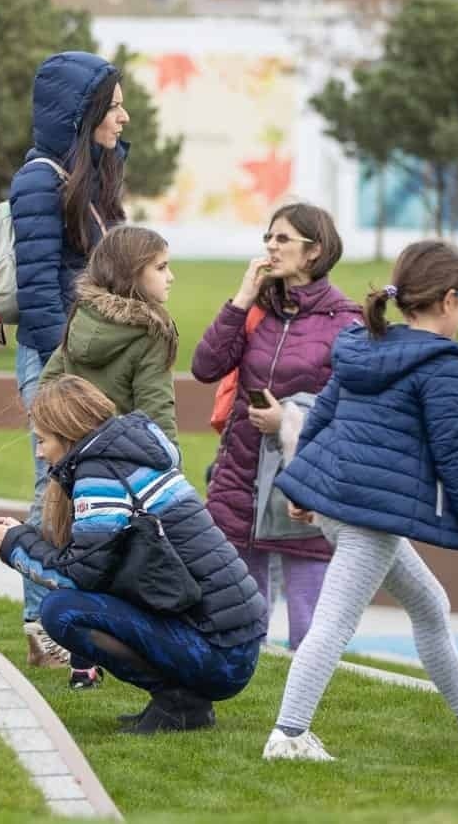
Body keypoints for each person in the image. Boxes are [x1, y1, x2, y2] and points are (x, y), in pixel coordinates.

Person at [264, 240, 458, 762]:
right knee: (334, 621)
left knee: (430, 603)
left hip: (342, 504)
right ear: (449, 300)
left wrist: (301, 484)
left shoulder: (363, 344)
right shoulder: (442, 364)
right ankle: (289, 735)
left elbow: (320, 418)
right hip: (371, 514)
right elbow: (456, 452)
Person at [0, 377, 266, 735]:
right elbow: (95, 564)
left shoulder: (100, 474)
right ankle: (182, 702)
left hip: (220, 656)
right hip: (234, 645)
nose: (39, 451)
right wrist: (23, 533)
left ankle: (179, 702)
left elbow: (76, 577)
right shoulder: (124, 458)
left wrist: (13, 545)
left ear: (68, 434)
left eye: (43, 440)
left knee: (60, 611)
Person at [192, 203, 359, 651]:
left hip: (304, 478)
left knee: (309, 619)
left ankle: (304, 707)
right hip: (241, 474)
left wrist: (288, 420)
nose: (270, 246)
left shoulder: (346, 321)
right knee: (244, 612)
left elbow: (353, 407)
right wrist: (242, 297)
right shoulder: (257, 310)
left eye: (283, 238)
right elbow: (205, 366)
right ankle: (250, 687)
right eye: (268, 237)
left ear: (314, 251)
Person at [7, 51, 129, 661]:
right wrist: (65, 371)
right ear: (83, 113)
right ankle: (39, 622)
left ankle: (70, 613)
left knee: (82, 483)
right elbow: (38, 289)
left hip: (88, 355)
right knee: (51, 481)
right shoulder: (39, 180)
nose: (124, 117)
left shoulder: (91, 178)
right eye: (114, 106)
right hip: (54, 359)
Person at [40, 224, 178, 440]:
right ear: (132, 272)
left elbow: (47, 387)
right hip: (127, 458)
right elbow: (157, 413)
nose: (171, 277)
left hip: (75, 457)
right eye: (161, 268)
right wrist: (172, 465)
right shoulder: (152, 331)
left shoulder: (84, 315)